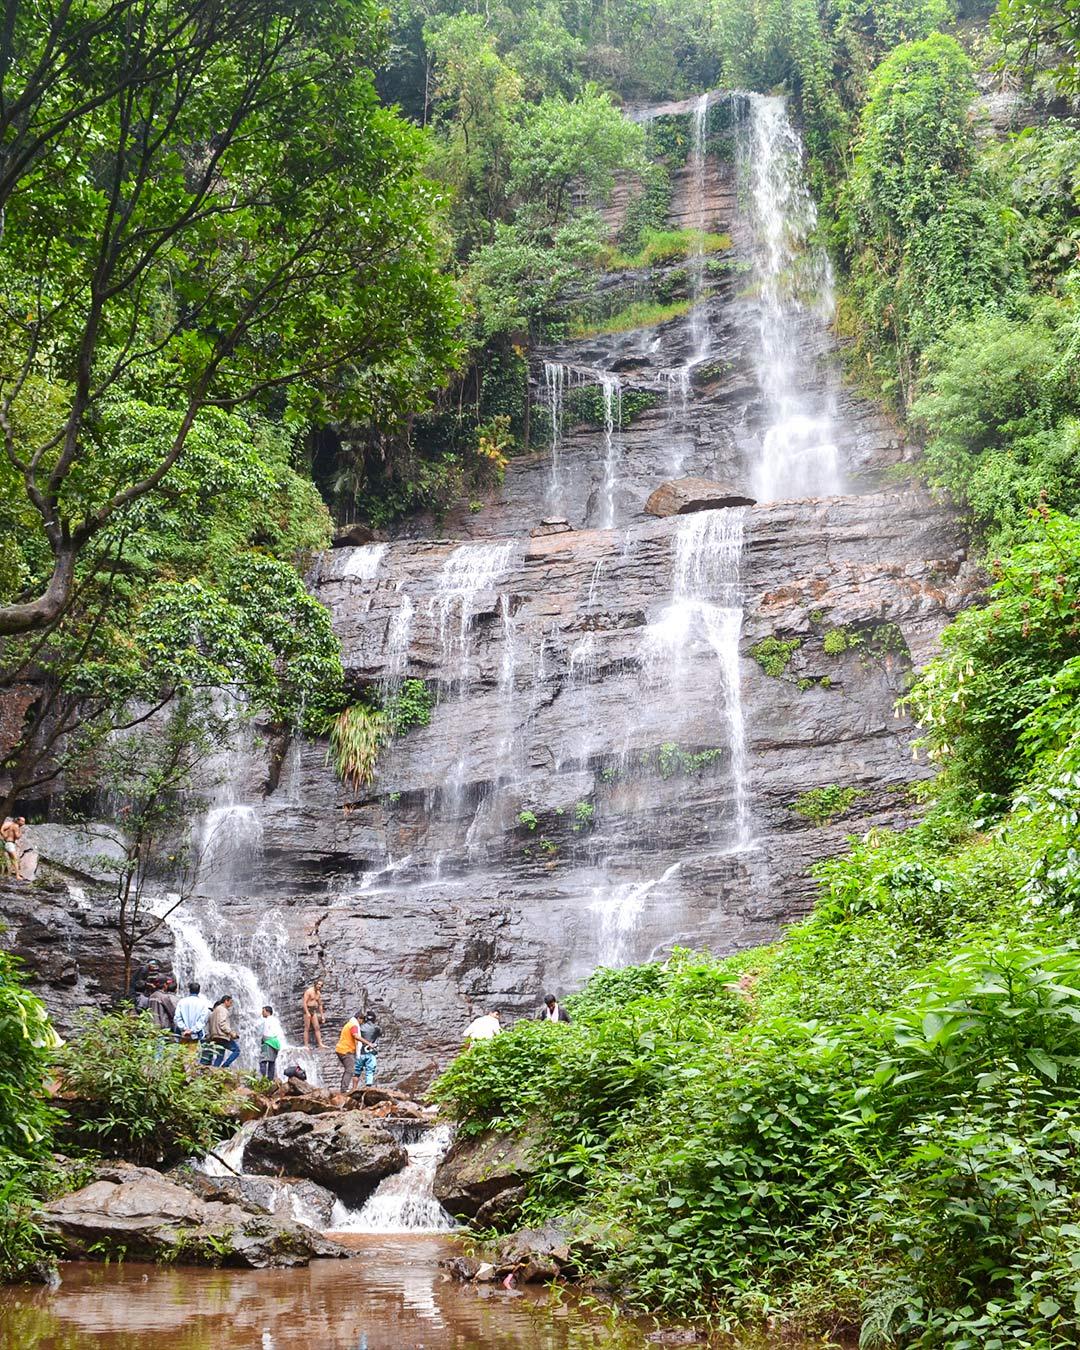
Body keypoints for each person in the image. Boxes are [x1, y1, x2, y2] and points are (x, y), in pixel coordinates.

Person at [208, 994, 240, 1068]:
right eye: (230, 1002)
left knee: (220, 1056)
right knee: (237, 1050)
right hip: (221, 1036)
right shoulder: (223, 1010)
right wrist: (231, 1033)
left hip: (215, 1036)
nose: (231, 1004)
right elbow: (222, 1024)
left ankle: (214, 1071)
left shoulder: (215, 1011)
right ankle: (224, 1066)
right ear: (226, 1001)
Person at [351, 1011, 381, 1088]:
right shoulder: (377, 1028)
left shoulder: (360, 1027)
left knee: (356, 1072)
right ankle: (368, 1088)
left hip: (360, 1053)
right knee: (370, 1071)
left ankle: (354, 1088)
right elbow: (379, 1036)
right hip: (370, 1052)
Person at [335, 1012, 363, 1091]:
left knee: (348, 1069)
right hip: (345, 1051)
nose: (361, 1023)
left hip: (340, 1049)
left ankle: (344, 1088)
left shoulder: (349, 1024)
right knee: (350, 1069)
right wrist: (368, 1043)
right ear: (359, 1019)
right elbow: (356, 1036)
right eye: (362, 1021)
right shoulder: (353, 1025)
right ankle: (344, 1089)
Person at [259, 1005, 284, 1079]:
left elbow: (266, 1033)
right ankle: (270, 1079)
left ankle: (263, 1078)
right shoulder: (275, 1020)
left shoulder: (267, 1020)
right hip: (275, 1043)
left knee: (262, 1061)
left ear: (267, 1012)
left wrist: (263, 1040)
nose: (262, 1013)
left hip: (268, 1042)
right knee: (271, 1062)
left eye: (263, 1011)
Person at [1, 816, 26, 882]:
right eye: (22, 821)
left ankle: (8, 874)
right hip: (10, 844)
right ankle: (17, 876)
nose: (24, 823)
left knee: (11, 860)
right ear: (18, 821)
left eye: (24, 821)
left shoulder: (12, 825)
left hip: (7, 843)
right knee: (15, 860)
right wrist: (21, 833)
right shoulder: (16, 826)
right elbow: (17, 836)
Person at [302, 980, 325, 1049]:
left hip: (313, 1010)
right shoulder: (309, 991)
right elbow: (304, 1003)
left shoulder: (318, 993)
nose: (319, 986)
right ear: (315, 984)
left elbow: (320, 1005)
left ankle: (320, 1044)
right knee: (307, 1028)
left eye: (321, 985)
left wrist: (322, 1015)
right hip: (307, 1010)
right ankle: (306, 1045)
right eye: (318, 984)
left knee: (317, 1027)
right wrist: (307, 1013)